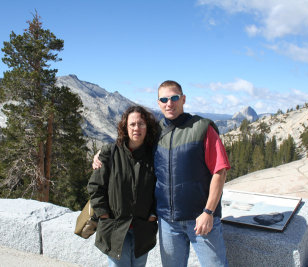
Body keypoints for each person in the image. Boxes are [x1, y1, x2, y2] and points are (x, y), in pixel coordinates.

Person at [93, 81, 231, 267]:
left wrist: (208, 211)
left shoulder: (202, 128)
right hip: (168, 222)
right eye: (164, 99)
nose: (169, 103)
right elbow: (132, 150)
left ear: (183, 99)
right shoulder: (155, 133)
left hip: (200, 219)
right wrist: (101, 154)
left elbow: (220, 171)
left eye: (174, 98)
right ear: (158, 103)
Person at [87, 105, 159, 267]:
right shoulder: (110, 152)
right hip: (115, 228)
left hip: (143, 229)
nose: (136, 128)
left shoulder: (154, 156)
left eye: (141, 124)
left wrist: (153, 214)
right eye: (132, 124)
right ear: (125, 127)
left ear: (147, 127)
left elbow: (160, 189)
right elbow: (95, 187)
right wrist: (104, 216)